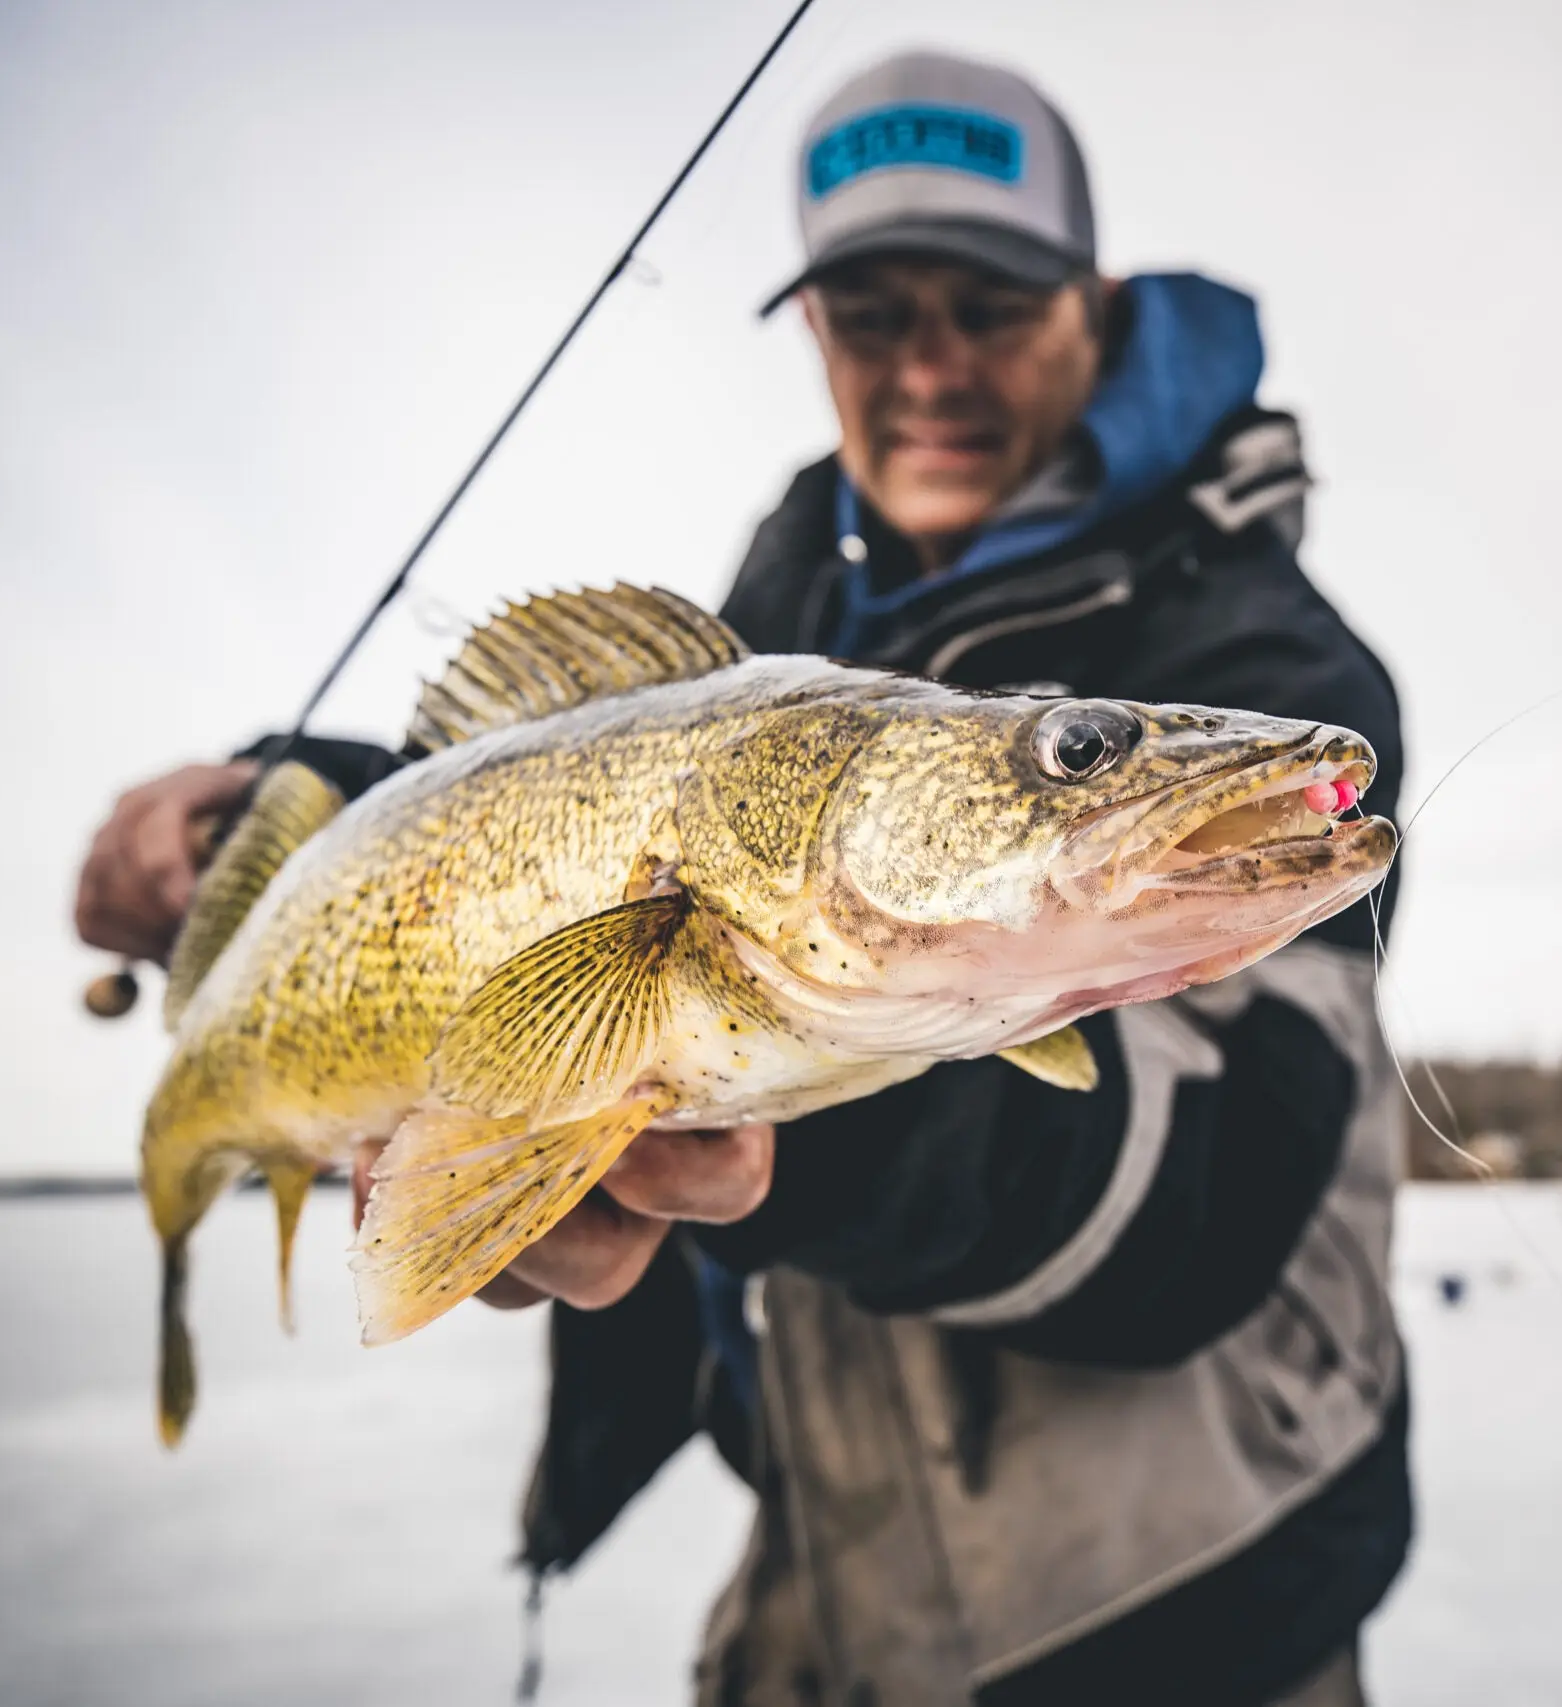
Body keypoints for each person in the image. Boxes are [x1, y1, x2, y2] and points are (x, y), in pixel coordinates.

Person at [74, 49, 1410, 1707]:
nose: (930, 367)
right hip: (816, 1568)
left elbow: (1201, 1208)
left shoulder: (1270, 654)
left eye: (987, 305)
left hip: (1185, 1608)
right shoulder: (791, 614)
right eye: (870, 315)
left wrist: (772, 1143)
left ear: (1094, 300)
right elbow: (519, 801)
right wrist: (260, 792)